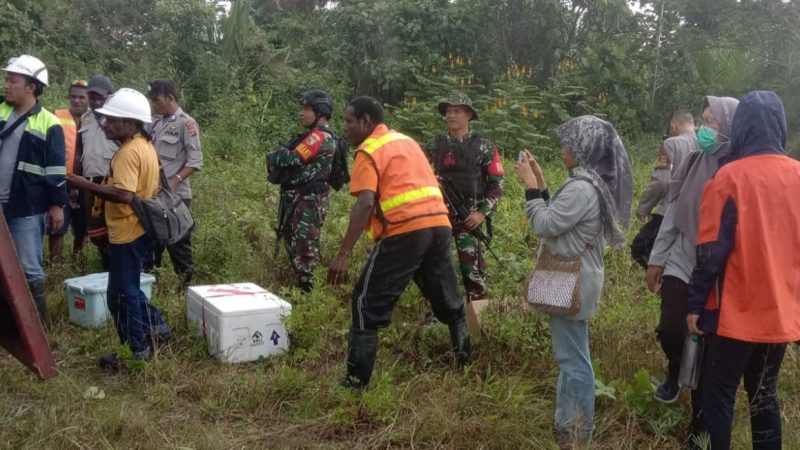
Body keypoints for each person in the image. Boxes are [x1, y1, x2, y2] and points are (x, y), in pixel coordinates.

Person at [328, 96, 469, 389]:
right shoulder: (406, 141)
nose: (346, 128)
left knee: (366, 302)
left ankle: (355, 383)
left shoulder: (368, 151)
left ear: (367, 121)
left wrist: (343, 254)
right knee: (448, 298)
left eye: (350, 121)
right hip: (439, 225)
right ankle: (465, 363)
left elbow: (365, 202)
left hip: (406, 230)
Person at [687, 91, 799, 450]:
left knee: (718, 397)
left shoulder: (728, 178)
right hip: (780, 313)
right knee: (763, 395)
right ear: (779, 126)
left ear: (743, 128)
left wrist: (694, 304)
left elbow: (710, 252)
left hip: (732, 314)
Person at [515, 115, 632, 447]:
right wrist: (539, 183)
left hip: (572, 279)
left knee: (574, 360)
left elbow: (545, 224)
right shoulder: (587, 183)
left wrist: (528, 189)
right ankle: (567, 423)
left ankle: (578, 430)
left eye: (569, 143)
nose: (563, 148)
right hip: (575, 277)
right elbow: (561, 216)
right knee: (570, 355)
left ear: (585, 148)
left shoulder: (582, 187)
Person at [66, 88, 170, 369]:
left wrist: (80, 183)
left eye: (114, 120)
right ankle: (157, 330)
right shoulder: (144, 146)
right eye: (107, 119)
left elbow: (124, 194)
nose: (107, 124)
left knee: (121, 296)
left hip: (128, 231)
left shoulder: (128, 152)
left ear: (132, 123)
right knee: (129, 290)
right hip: (137, 230)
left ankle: (136, 352)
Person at [646, 96, 738, 407]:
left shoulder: (737, 167)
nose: (705, 130)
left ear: (730, 127)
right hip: (683, 253)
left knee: (707, 336)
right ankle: (675, 373)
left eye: (713, 123)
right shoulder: (693, 161)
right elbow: (673, 210)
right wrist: (657, 259)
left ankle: (699, 393)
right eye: (703, 122)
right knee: (671, 326)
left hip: (717, 265)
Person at [424, 92, 504, 315]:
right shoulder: (434, 146)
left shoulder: (484, 147)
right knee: (435, 270)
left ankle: (478, 323)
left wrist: (481, 214)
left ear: (469, 115)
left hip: (469, 220)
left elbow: (497, 186)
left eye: (457, 110)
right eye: (448, 111)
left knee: (473, 275)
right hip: (438, 219)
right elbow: (418, 173)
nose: (451, 115)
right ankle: (439, 318)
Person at [1, 55, 66, 325]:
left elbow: (55, 169)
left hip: (27, 206)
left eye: (12, 80)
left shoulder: (50, 123)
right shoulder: (1, 112)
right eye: (6, 79)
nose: (6, 84)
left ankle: (36, 327)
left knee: (29, 266)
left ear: (32, 86)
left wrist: (56, 205)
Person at [267, 90, 337, 292]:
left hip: (308, 200)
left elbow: (291, 158)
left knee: (305, 246)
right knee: (295, 244)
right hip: (299, 199)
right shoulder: (310, 136)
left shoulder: (318, 137)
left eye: (307, 109)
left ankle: (308, 293)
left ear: (320, 113)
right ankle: (302, 290)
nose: (302, 113)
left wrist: (276, 155)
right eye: (302, 108)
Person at [145, 80, 203, 288]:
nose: (154, 104)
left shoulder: (186, 124)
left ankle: (186, 290)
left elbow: (195, 162)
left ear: (170, 98)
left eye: (157, 100)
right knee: (152, 244)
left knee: (179, 244)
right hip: (153, 194)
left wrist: (173, 182)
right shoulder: (155, 123)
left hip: (175, 196)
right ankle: (152, 286)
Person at [631, 112, 695, 269]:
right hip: (694, 216)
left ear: (674, 125)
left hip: (669, 212)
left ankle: (661, 283)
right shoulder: (706, 144)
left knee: (640, 248)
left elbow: (662, 181)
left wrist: (644, 208)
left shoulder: (670, 144)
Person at [73, 75, 119, 269]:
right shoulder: (85, 119)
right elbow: (79, 152)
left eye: (100, 97)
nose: (96, 101)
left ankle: (118, 268)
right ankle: (106, 268)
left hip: (113, 183)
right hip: (90, 182)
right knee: (97, 231)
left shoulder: (119, 118)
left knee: (115, 229)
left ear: (110, 96)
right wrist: (75, 184)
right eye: (92, 97)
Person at [48, 79, 89, 262]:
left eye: (82, 97)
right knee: (57, 225)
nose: (77, 101)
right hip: (61, 180)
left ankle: (77, 263)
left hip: (86, 182)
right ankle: (55, 265)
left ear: (88, 99)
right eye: (73, 96)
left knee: (83, 225)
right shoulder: (56, 116)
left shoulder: (96, 121)